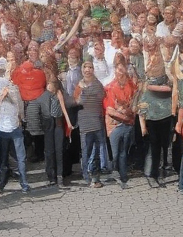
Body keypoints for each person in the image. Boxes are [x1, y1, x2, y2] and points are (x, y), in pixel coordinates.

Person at [0, 73, 29, 194]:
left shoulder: (12, 91)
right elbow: (20, 110)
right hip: (6, 128)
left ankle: (22, 183)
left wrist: (3, 96)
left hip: (9, 128)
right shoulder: (3, 93)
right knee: (8, 156)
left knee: (15, 156)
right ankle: (21, 183)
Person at [139, 55, 173, 187]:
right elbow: (141, 108)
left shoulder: (165, 79)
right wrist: (143, 126)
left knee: (165, 147)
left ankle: (161, 173)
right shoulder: (147, 83)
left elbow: (171, 86)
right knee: (154, 148)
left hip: (166, 118)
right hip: (152, 120)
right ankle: (153, 174)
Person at [103, 61, 137, 189]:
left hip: (127, 124)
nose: (121, 74)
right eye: (118, 72)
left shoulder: (131, 87)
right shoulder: (110, 88)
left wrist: (125, 112)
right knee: (116, 152)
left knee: (123, 152)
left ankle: (123, 176)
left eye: (123, 72)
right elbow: (110, 110)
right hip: (115, 124)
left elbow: (133, 107)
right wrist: (125, 115)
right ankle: (114, 172)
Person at [74, 60, 106, 190]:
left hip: (97, 121)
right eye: (85, 68)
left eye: (90, 67)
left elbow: (101, 98)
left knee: (96, 152)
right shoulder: (79, 86)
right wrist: (83, 90)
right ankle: (87, 176)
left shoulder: (98, 84)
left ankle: (95, 177)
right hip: (85, 123)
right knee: (86, 151)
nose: (88, 70)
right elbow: (77, 102)